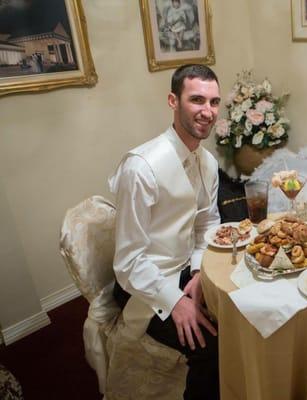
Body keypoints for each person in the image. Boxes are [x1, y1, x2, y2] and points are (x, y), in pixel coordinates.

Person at [110, 64, 222, 400]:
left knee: (242, 314)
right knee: (211, 345)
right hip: (142, 281)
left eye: (214, 102)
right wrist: (174, 301)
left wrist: (201, 269)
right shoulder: (140, 168)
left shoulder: (208, 162)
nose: (207, 111)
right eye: (197, 100)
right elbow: (128, 262)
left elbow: (207, 222)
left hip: (187, 270)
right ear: (173, 101)